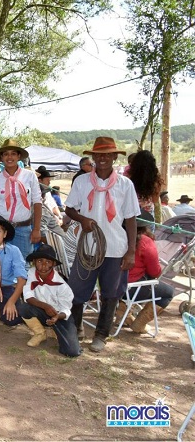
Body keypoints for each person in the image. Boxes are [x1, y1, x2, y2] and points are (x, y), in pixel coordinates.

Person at [65, 136, 139, 353]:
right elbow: (70, 209)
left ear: (115, 157)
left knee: (111, 292)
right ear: (94, 157)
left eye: (108, 154)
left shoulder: (125, 185)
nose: (103, 158)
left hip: (116, 247)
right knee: (78, 288)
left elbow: (131, 218)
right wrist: (82, 220)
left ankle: (101, 335)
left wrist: (131, 251)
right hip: (88, 246)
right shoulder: (82, 181)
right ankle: (76, 328)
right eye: (99, 154)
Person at [15, 244, 81, 357]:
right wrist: (45, 306)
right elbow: (28, 296)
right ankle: (40, 333)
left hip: (59, 316)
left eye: (48, 262)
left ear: (54, 264)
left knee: (72, 352)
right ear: (34, 262)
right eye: (40, 261)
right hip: (42, 310)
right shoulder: (31, 272)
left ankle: (54, 330)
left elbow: (66, 309)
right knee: (23, 308)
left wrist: (56, 317)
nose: (44, 265)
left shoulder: (62, 286)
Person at [117, 210, 174, 334]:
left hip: (110, 285)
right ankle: (139, 323)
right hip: (131, 288)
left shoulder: (116, 236)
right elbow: (155, 272)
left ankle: (122, 313)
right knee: (168, 292)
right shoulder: (145, 241)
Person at [0, 139, 42, 258]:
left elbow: (37, 202)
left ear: (19, 156)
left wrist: (37, 229)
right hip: (2, 229)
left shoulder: (30, 176)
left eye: (13, 154)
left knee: (23, 265)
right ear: (1, 157)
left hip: (23, 229)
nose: (9, 157)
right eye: (6, 154)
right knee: (0, 263)